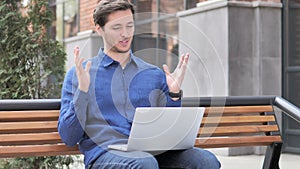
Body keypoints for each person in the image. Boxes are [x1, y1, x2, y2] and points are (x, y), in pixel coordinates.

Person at [58, 0, 221, 168]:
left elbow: (169, 132)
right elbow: (69, 136)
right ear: (99, 29)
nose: (125, 34)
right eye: (117, 28)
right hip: (105, 154)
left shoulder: (153, 74)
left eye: (129, 26)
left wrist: (173, 94)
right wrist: (83, 91)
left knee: (205, 161)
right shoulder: (80, 75)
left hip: (152, 153)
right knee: (145, 163)